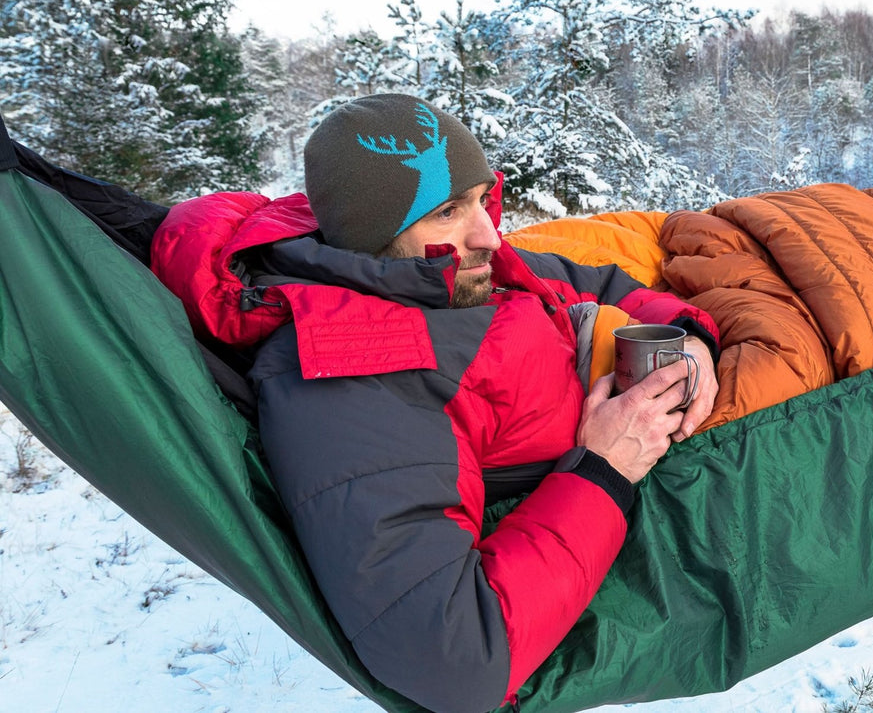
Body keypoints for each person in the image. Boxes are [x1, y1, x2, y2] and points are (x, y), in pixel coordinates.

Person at [172, 94, 719, 713]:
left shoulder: (453, 271)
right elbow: (456, 657)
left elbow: (594, 281)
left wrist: (693, 335)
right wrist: (606, 466)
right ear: (369, 234)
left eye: (484, 199)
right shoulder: (351, 369)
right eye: (447, 211)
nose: (489, 233)